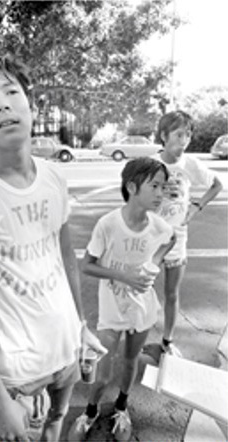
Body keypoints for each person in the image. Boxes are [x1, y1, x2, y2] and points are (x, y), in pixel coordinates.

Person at [0, 53, 107, 442]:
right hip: (19, 372)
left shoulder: (54, 177)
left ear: (31, 105)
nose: (1, 103)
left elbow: (65, 257)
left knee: (56, 424)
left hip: (67, 352)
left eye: (11, 92)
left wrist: (81, 328)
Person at [68, 157, 176, 442]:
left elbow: (170, 240)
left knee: (130, 361)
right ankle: (90, 412)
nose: (160, 193)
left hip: (142, 308)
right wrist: (126, 276)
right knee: (102, 373)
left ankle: (121, 407)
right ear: (131, 187)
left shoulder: (160, 227)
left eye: (163, 187)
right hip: (112, 308)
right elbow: (87, 264)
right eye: (154, 186)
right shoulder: (108, 224)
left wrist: (154, 262)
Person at [152, 110, 223, 356]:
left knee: (171, 294)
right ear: (164, 135)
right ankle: (134, 339)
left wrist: (196, 207)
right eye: (179, 134)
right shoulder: (151, 165)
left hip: (177, 240)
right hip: (148, 239)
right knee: (139, 292)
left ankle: (166, 342)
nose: (185, 140)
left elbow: (217, 185)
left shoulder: (191, 164)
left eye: (188, 135)